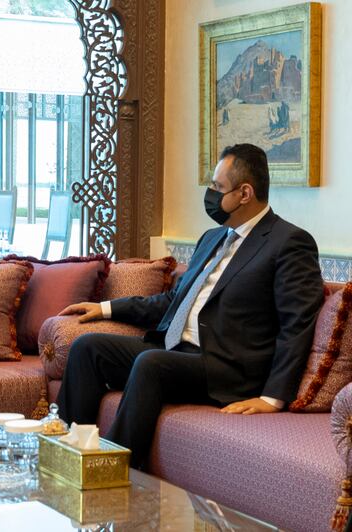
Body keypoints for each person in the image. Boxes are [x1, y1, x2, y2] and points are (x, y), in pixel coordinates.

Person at [55, 143, 324, 469]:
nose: (209, 193)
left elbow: (296, 323)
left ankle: (114, 468)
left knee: (151, 364)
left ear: (245, 193)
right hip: (177, 352)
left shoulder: (289, 242)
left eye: (217, 187)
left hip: (227, 367)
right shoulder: (212, 238)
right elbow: (173, 301)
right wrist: (107, 308)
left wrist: (272, 397)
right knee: (88, 347)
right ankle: (68, 454)